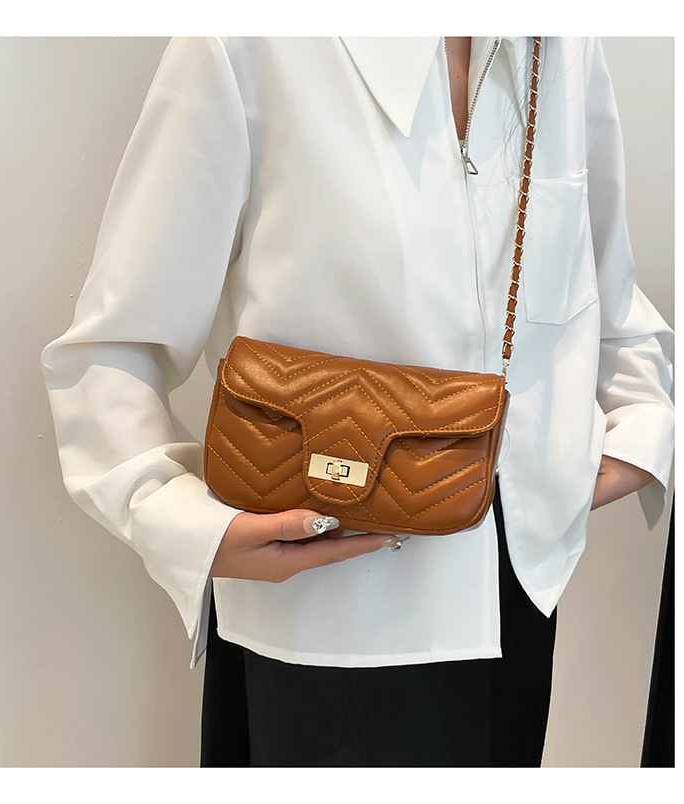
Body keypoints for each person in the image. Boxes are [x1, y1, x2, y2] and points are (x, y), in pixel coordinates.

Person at [41, 37, 674, 767]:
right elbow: (114, 344)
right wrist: (185, 522)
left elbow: (607, 294)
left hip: (519, 591)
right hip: (321, 605)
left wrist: (639, 431)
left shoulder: (560, 43)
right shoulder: (247, 41)